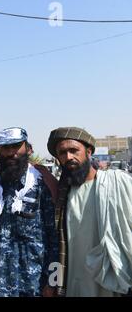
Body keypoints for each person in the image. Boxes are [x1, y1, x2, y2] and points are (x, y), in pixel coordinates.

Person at [0, 127, 59, 297]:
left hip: (34, 283)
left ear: (27, 148)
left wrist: (54, 282)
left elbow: (56, 239)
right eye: (5, 148)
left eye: (16, 146)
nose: (11, 153)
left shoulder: (42, 184)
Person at [47, 127, 132, 297]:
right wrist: (52, 282)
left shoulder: (116, 182)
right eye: (62, 153)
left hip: (112, 275)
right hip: (74, 278)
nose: (68, 157)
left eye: (73, 150)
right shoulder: (61, 195)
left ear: (89, 151)